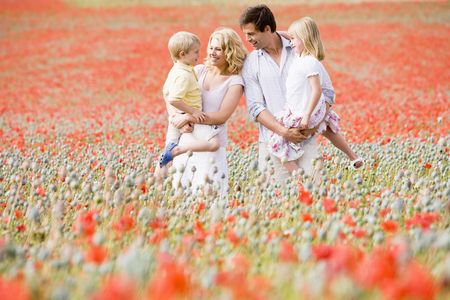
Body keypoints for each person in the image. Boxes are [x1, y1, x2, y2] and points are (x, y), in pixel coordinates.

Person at [240, 4, 325, 183]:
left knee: (315, 196)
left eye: (251, 33)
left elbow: (327, 94)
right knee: (274, 203)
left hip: (306, 140)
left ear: (267, 29)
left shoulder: (300, 50)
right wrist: (284, 132)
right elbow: (255, 107)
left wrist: (312, 127)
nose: (247, 39)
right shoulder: (251, 63)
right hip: (272, 145)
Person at [268, 17, 363, 173]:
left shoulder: (309, 62)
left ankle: (298, 174)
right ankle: (354, 157)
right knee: (328, 128)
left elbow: (317, 90)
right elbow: (293, 36)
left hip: (308, 110)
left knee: (276, 139)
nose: (290, 43)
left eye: (293, 39)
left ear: (304, 39)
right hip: (314, 107)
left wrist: (306, 116)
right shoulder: (302, 56)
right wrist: (272, 34)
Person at [169, 28, 247, 198]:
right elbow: (176, 96)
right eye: (211, 48)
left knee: (210, 194)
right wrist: (179, 118)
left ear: (230, 52)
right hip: (188, 138)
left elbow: (222, 116)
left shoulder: (235, 82)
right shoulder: (197, 70)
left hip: (211, 143)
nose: (213, 52)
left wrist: (190, 116)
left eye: (218, 49)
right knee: (181, 192)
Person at [159, 31, 221, 169]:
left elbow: (166, 92)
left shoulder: (177, 69)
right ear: (182, 54)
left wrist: (174, 116)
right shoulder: (184, 75)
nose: (199, 55)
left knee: (168, 147)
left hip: (176, 116)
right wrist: (192, 112)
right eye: (195, 52)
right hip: (187, 115)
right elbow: (174, 99)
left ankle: (157, 178)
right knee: (214, 143)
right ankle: (177, 150)